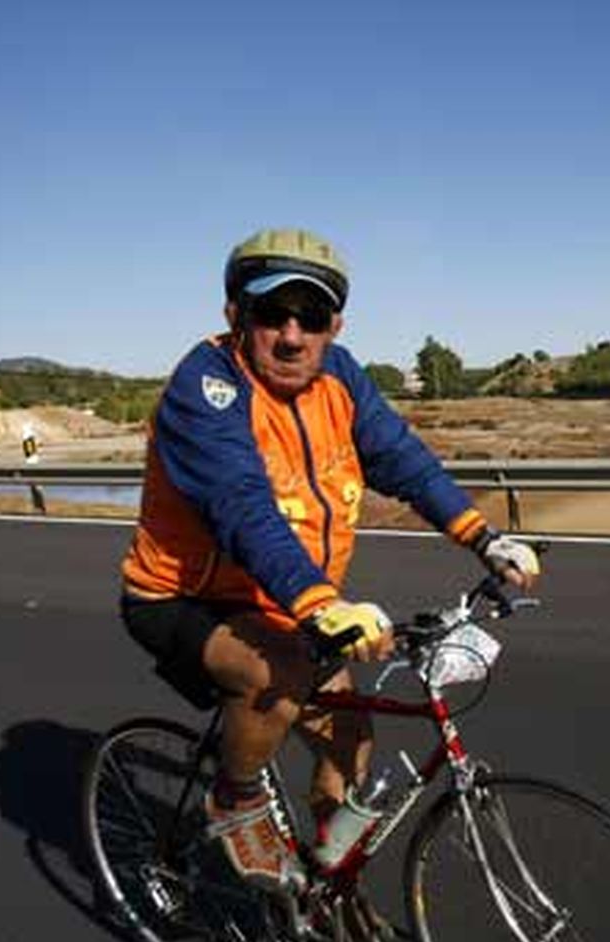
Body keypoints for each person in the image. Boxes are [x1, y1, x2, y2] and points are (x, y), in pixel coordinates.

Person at [119, 227, 539, 897]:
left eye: (311, 317)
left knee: (350, 738)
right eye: (271, 314)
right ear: (235, 316)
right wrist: (321, 605)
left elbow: (402, 459)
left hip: (285, 599)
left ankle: (329, 885)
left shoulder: (338, 376)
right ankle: (233, 801)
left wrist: (484, 538)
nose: (292, 335)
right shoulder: (207, 387)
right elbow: (242, 508)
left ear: (334, 324)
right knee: (278, 668)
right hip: (182, 598)